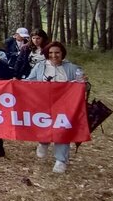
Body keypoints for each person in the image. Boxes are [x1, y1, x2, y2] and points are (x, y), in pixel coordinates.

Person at [26, 41, 86, 173]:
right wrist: (15, 82)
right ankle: (43, 142)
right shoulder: (40, 66)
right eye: (51, 53)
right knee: (45, 127)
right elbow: (29, 82)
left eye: (57, 52)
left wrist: (82, 83)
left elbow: (83, 86)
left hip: (65, 106)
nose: (54, 55)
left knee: (62, 130)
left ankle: (61, 160)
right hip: (43, 104)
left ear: (62, 53)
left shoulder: (72, 68)